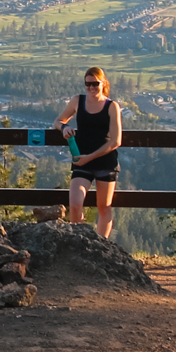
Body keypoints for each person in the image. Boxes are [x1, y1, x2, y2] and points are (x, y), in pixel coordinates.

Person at [58, 66, 123, 242]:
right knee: (75, 204)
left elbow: (116, 141)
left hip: (105, 162)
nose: (91, 88)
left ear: (103, 83)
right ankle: (79, 242)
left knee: (104, 207)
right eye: (88, 84)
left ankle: (101, 246)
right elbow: (58, 121)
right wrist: (65, 127)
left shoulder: (112, 106)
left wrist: (91, 157)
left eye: (95, 84)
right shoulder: (77, 101)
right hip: (82, 161)